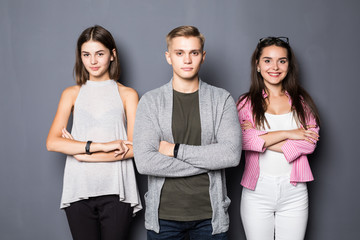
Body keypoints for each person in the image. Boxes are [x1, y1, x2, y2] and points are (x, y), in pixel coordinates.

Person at [133, 26, 241, 240]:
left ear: (203, 56)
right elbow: (145, 162)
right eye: (179, 53)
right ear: (168, 57)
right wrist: (208, 160)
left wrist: (175, 150)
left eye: (194, 52)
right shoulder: (151, 101)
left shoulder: (222, 99)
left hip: (210, 217)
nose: (187, 60)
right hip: (164, 218)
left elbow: (230, 155)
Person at [46, 25, 142, 240]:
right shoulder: (71, 93)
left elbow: (135, 147)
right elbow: (52, 142)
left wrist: (80, 153)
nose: (93, 61)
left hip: (118, 189)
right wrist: (99, 146)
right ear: (80, 57)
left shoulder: (127, 94)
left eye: (100, 53)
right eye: (86, 55)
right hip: (79, 187)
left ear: (112, 55)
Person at [237, 37, 321, 240]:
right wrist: (290, 133)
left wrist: (261, 139)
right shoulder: (245, 103)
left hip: (295, 190)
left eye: (282, 61)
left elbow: (309, 145)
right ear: (257, 65)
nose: (275, 67)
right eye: (267, 60)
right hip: (257, 190)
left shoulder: (302, 103)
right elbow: (244, 141)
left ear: (289, 65)